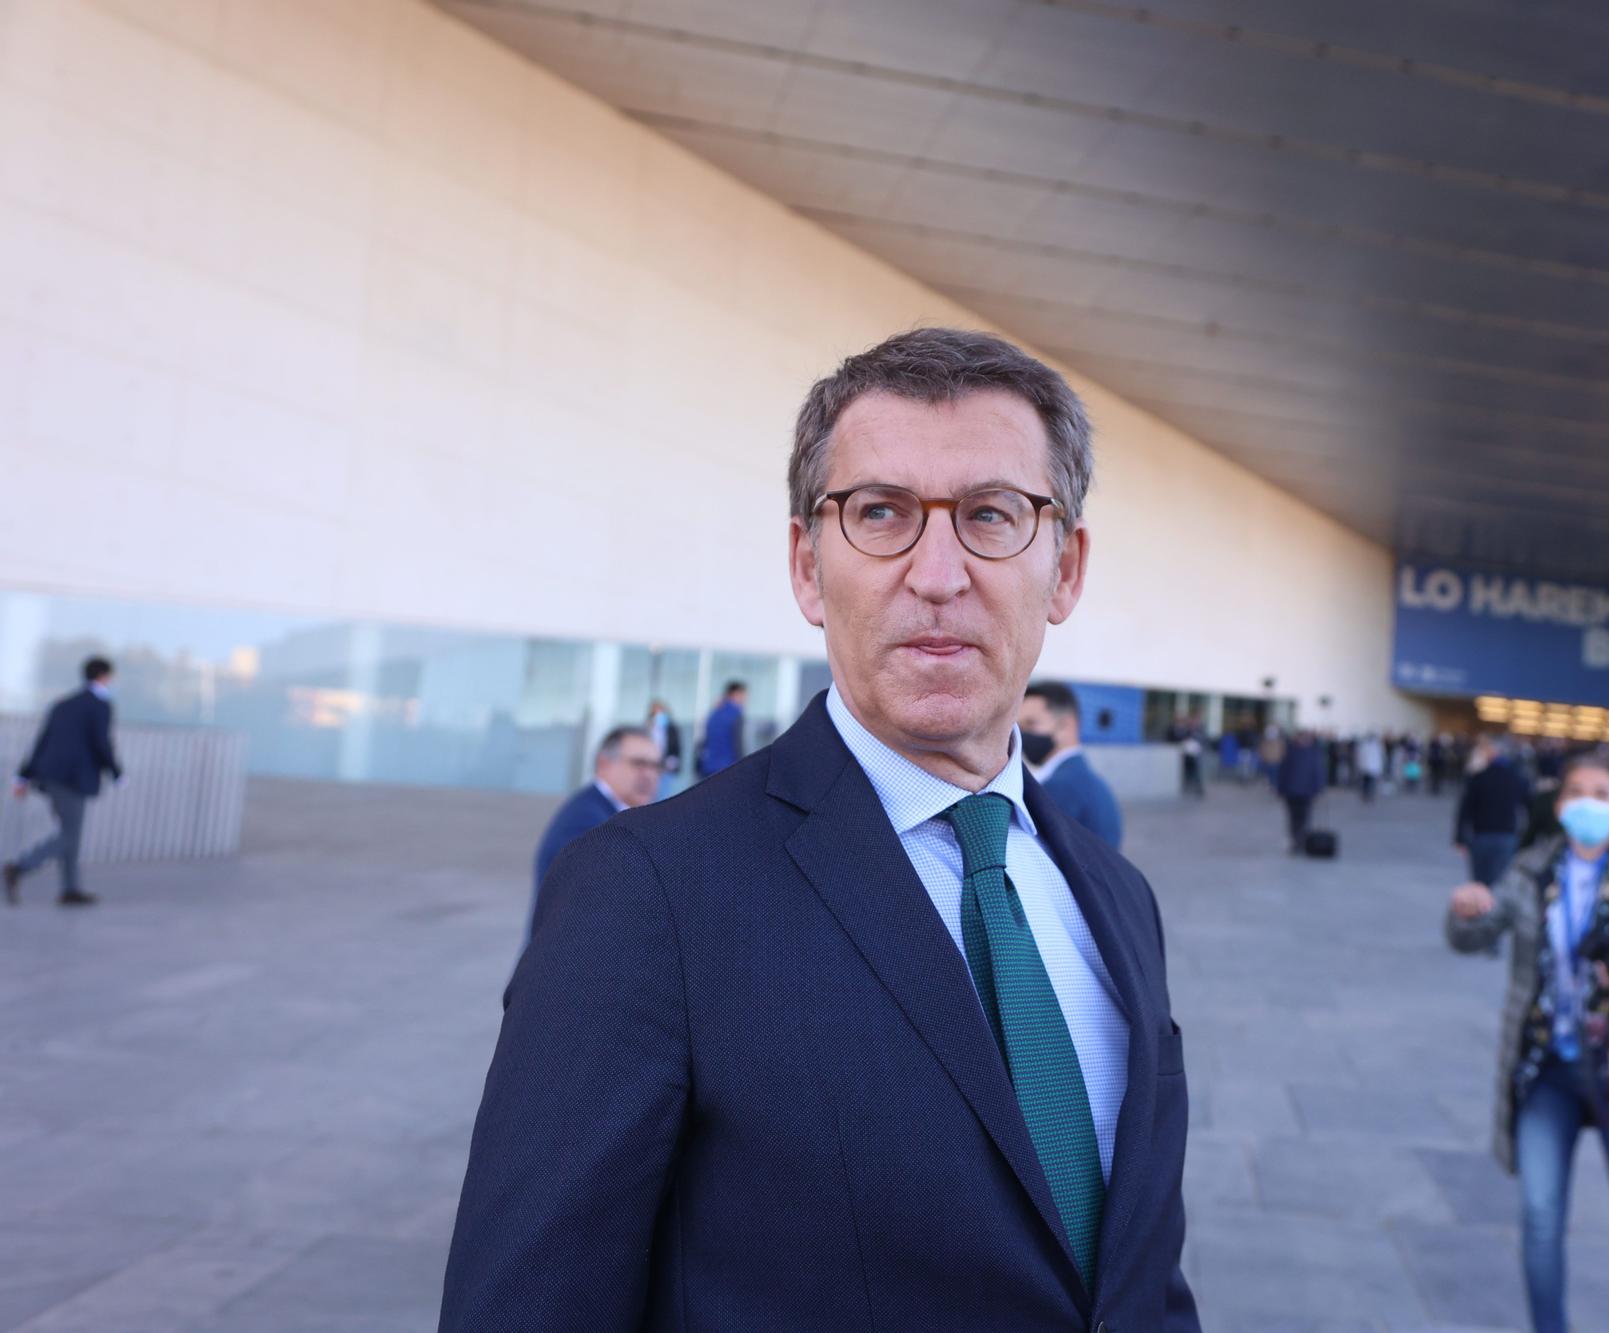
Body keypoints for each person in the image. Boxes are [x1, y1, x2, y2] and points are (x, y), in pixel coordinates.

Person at [443, 328, 1198, 1332]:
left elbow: (1138, 1285)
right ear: (807, 564)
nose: (937, 572)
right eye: (880, 512)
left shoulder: (1115, 897)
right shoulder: (644, 894)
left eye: (991, 515)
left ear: (1064, 570)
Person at [1444, 752, 1609, 1333]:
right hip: (1548, 1071)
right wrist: (1466, 912)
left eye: (1603, 792)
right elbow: (1476, 935)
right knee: (1539, 1220)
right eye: (1577, 792)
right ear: (1561, 804)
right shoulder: (1534, 869)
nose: (1589, 802)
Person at [6, 656, 123, 908]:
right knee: (69, 836)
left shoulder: (62, 704)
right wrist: (116, 772)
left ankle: (70, 889)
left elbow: (42, 741)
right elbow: (102, 743)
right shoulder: (99, 705)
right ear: (104, 676)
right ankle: (19, 868)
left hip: (50, 776)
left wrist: (23, 776)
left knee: (72, 834)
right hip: (73, 779)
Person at [525, 726, 663, 939]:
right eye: (638, 763)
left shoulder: (607, 813)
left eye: (656, 766)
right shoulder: (588, 822)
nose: (649, 775)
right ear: (603, 764)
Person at [1018, 681, 1123, 850]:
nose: (1021, 735)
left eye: (1031, 724)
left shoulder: (1060, 787)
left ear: (1066, 725)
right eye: (1019, 727)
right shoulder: (1086, 780)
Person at [1453, 737, 1528, 887]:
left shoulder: (1478, 777)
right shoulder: (1517, 777)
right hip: (1506, 836)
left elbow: (1464, 810)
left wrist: (1459, 838)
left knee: (1479, 882)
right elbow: (1530, 806)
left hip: (1481, 836)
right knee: (1499, 882)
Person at [1275, 729, 1327, 854]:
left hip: (1306, 792)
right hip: (1291, 792)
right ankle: (1295, 841)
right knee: (1293, 818)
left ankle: (1300, 842)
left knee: (1304, 818)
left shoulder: (1313, 753)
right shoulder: (1291, 752)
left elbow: (1318, 773)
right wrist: (1280, 789)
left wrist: (1318, 789)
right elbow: (1283, 772)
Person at [695, 680, 747, 777]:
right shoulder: (736, 714)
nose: (745, 699)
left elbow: (704, 741)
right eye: (743, 695)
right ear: (736, 693)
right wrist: (743, 766)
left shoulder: (714, 713)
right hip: (728, 767)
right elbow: (738, 743)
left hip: (708, 766)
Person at [645, 700, 683, 798]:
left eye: (661, 713)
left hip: (666, 768)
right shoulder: (647, 729)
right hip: (651, 767)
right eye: (656, 713)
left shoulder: (672, 729)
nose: (659, 716)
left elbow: (676, 749)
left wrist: (672, 762)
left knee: (664, 795)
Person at [1176, 716, 1206, 798]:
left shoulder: (1200, 732)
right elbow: (1180, 739)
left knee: (1197, 772)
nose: (1193, 725)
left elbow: (1203, 742)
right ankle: (1187, 787)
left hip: (1196, 755)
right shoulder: (1186, 731)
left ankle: (1199, 789)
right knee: (1186, 772)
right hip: (1187, 755)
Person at [1357, 730, 1384, 803]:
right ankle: (1366, 795)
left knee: (1371, 783)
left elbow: (1379, 758)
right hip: (1367, 767)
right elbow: (1360, 756)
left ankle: (1370, 795)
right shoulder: (1365, 745)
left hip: (1371, 767)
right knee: (1366, 783)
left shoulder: (1377, 746)